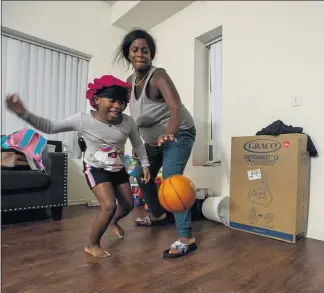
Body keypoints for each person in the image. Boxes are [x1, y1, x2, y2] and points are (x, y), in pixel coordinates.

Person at [4, 75, 151, 258]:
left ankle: (112, 222)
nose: (117, 106)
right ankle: (92, 244)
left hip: (118, 168)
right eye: (112, 100)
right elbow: (50, 127)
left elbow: (137, 144)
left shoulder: (127, 122)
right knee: (108, 205)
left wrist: (145, 165)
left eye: (122, 102)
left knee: (128, 205)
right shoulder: (82, 120)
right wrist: (23, 113)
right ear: (97, 100)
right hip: (95, 169)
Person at [114, 29, 197, 258]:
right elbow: (133, 117)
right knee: (141, 173)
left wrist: (169, 133)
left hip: (179, 133)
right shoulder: (129, 83)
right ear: (127, 54)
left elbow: (175, 108)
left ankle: (186, 237)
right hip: (152, 142)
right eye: (135, 50)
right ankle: (158, 215)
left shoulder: (158, 75)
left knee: (171, 179)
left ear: (151, 54)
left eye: (145, 50)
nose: (140, 53)